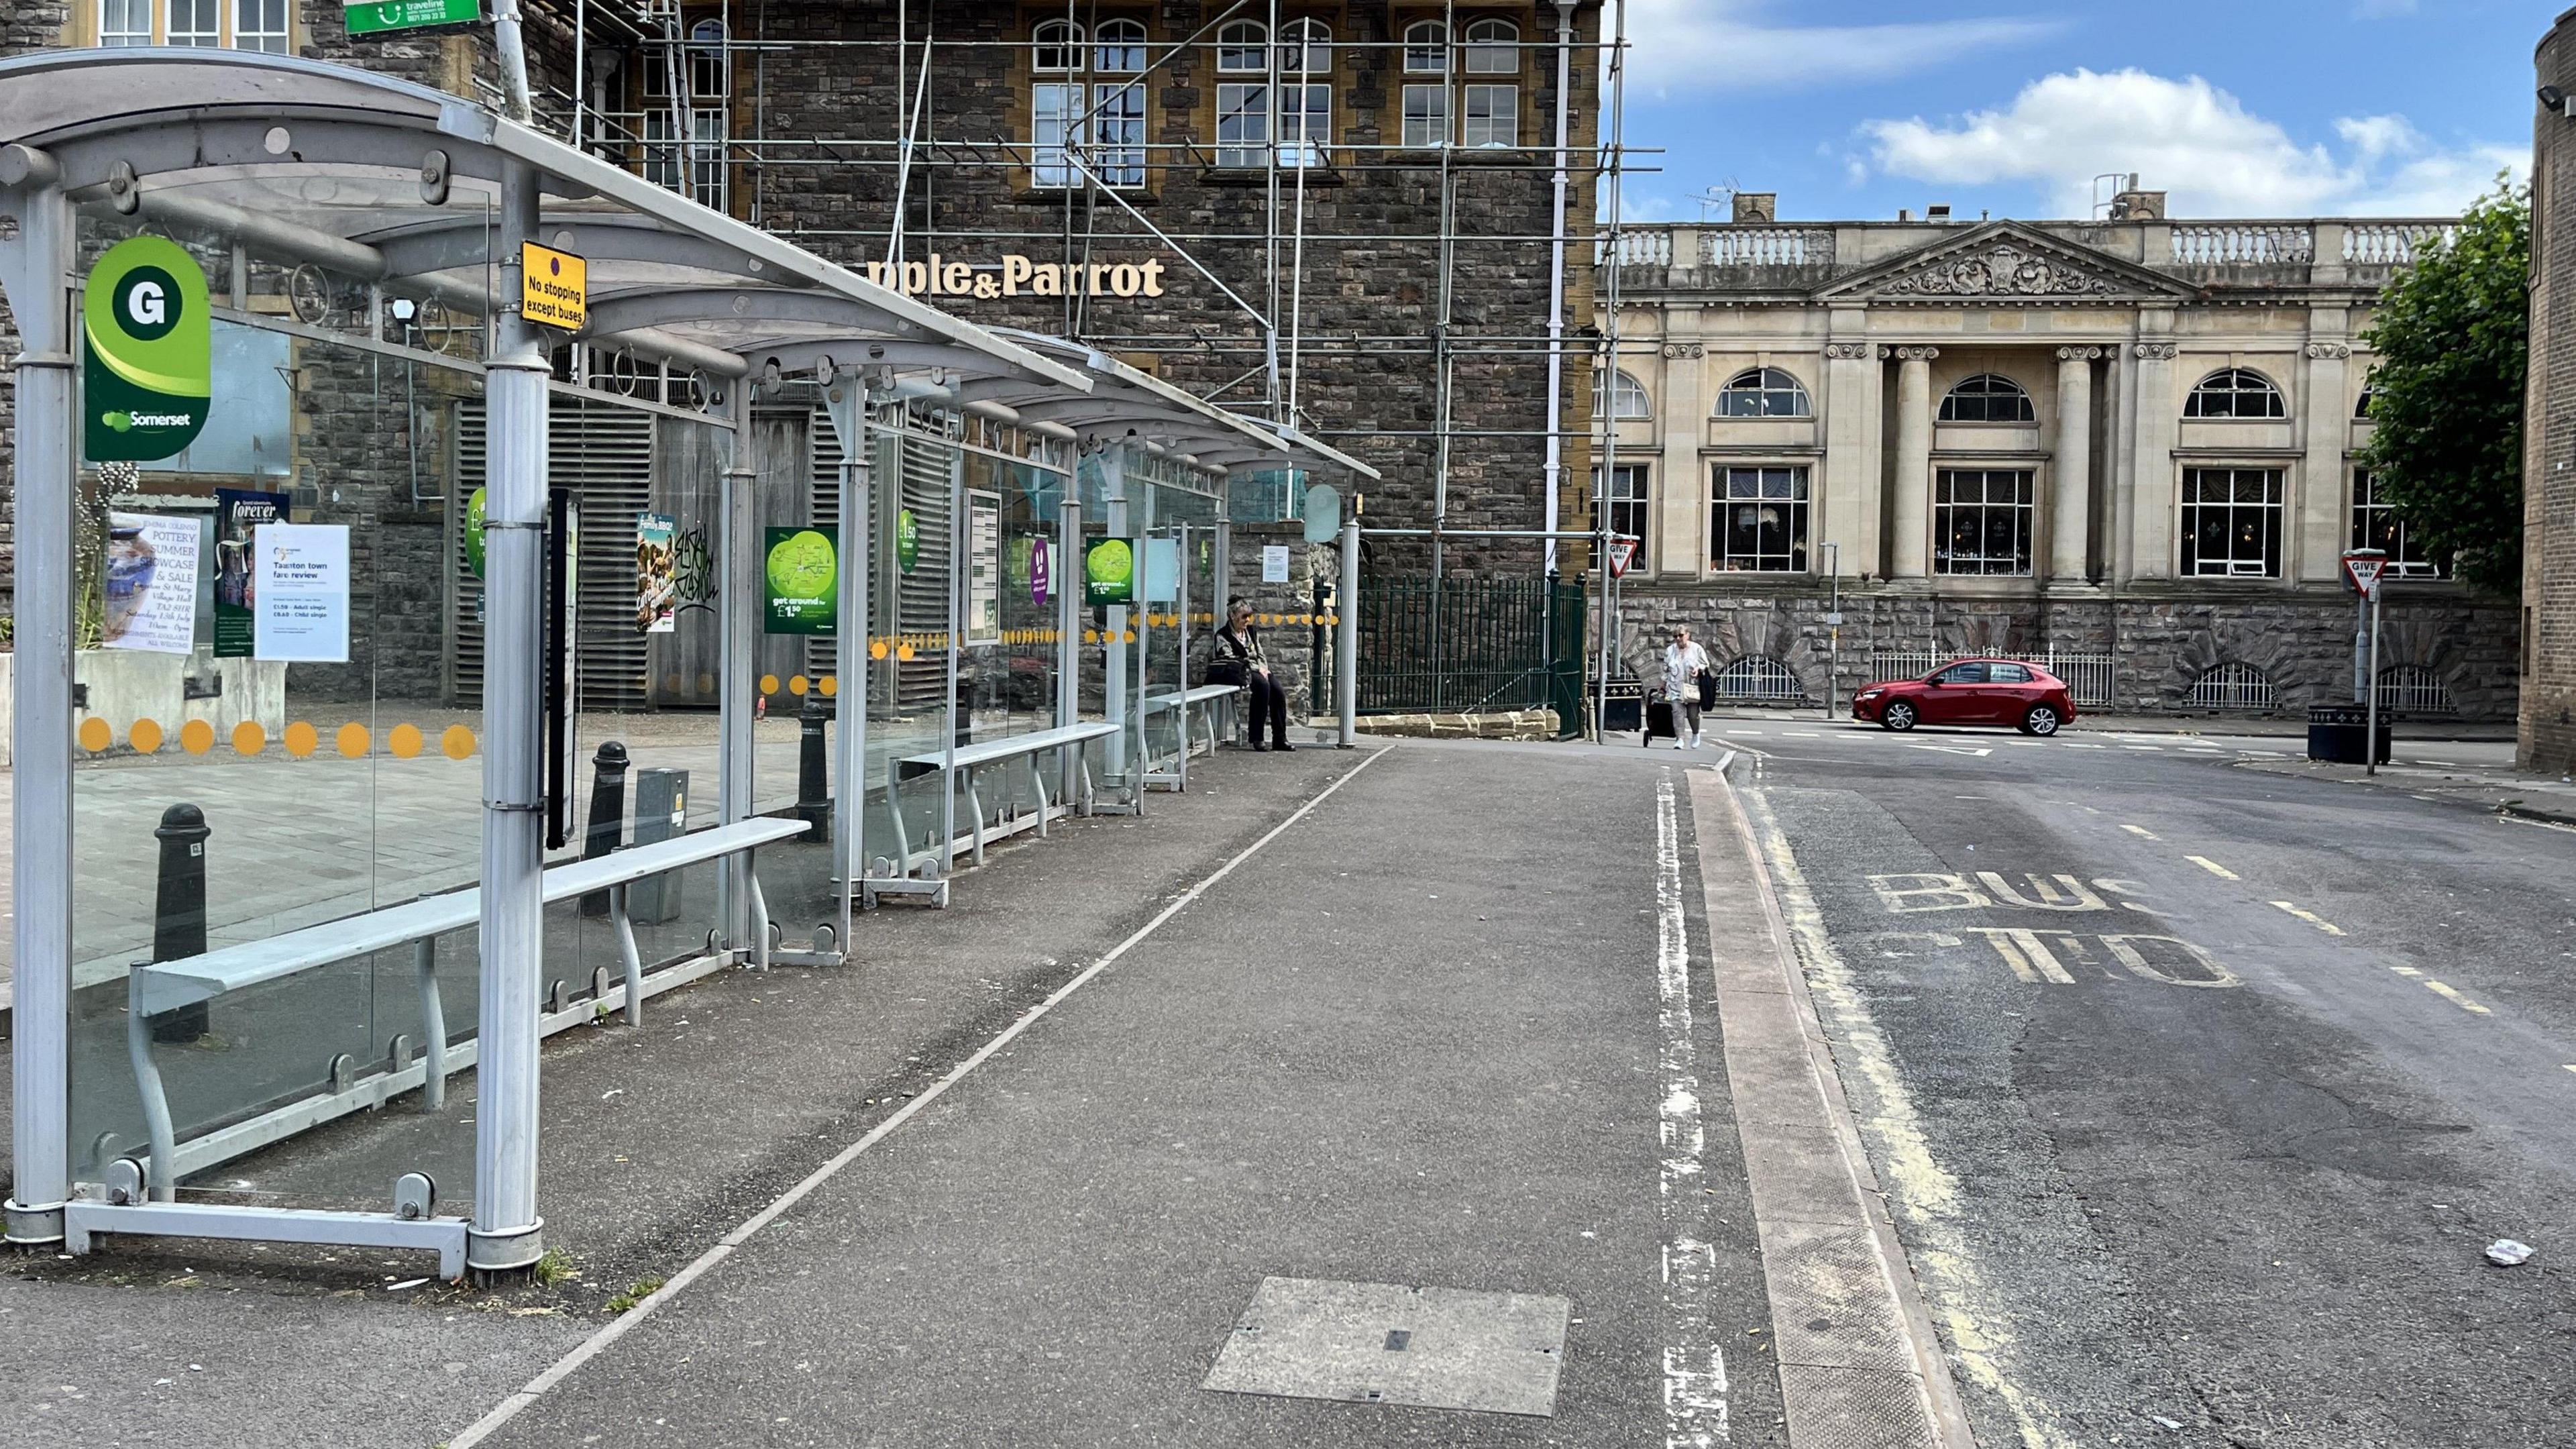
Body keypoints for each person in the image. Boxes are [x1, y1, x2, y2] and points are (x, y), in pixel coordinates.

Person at [1210, 600, 1294, 751]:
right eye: (1244, 617)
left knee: (1278, 691)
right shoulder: (1223, 635)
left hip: (1257, 669)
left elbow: (1260, 653)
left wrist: (1264, 668)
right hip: (1238, 672)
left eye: (1249, 616)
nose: (1247, 620)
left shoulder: (1251, 631)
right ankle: (1257, 737)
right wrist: (1254, 668)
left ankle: (1280, 738)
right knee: (1263, 687)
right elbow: (1230, 659)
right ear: (1233, 616)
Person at [1663, 625, 1713, 749]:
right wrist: (1663, 683)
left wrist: (1698, 669)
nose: (1678, 639)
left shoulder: (1697, 649)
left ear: (1687, 635)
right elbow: (1665, 668)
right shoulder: (1670, 650)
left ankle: (1696, 733)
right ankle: (1680, 738)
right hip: (1675, 687)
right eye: (1675, 636)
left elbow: (1705, 664)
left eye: (1681, 635)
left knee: (1693, 715)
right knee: (1677, 713)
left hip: (1692, 687)